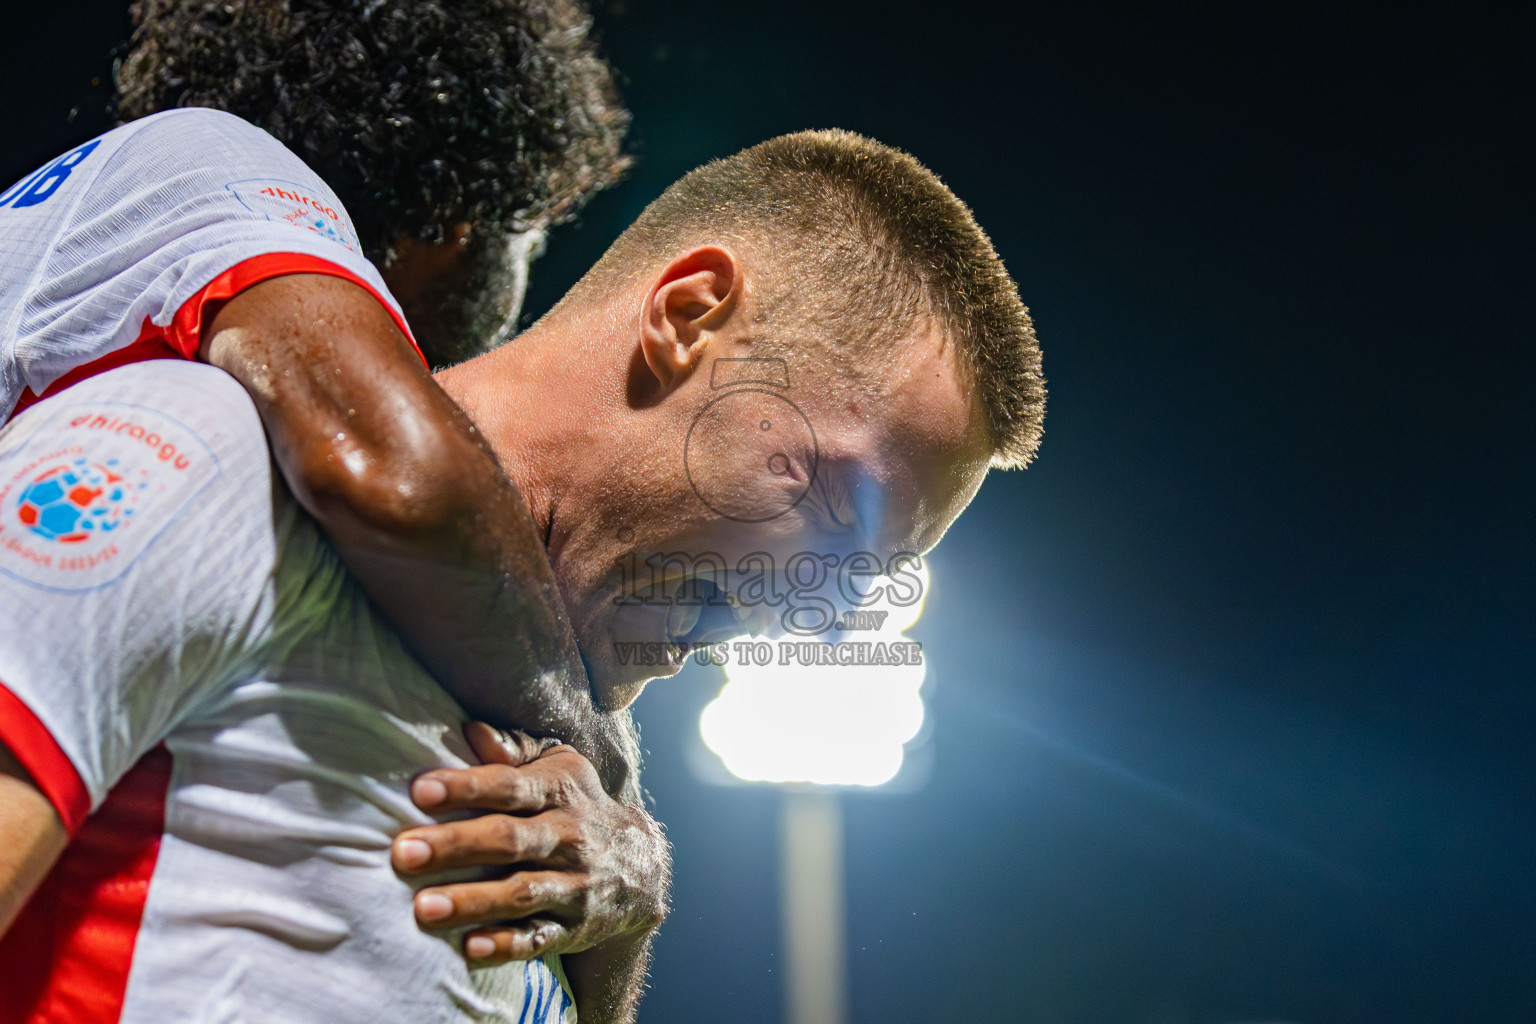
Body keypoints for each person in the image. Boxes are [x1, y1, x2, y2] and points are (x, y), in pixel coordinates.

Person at [0, 126, 1045, 1020]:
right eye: (831, 507)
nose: (822, 617)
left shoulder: (594, 823)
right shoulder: (220, 462)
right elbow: (395, 479)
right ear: (687, 317)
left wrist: (630, 889)